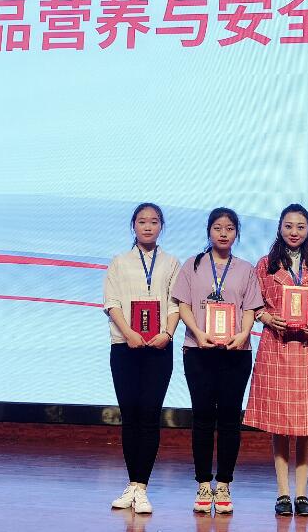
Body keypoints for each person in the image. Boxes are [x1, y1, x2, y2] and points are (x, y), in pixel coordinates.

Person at [244, 204, 308, 517]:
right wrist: (266, 317)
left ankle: (302, 493)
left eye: (300, 226)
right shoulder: (265, 265)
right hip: (277, 348)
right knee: (280, 424)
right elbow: (252, 302)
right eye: (288, 226)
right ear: (280, 228)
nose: (294, 232)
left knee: (307, 425)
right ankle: (283, 493)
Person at [172, 207, 262, 515]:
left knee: (229, 419)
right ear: (209, 231)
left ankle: (223, 484)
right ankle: (202, 483)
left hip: (236, 352)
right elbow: (183, 305)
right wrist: (197, 333)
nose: (223, 233)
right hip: (198, 350)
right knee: (201, 418)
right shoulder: (193, 264)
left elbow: (250, 308)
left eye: (229, 228)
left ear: (237, 233)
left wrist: (244, 334)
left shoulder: (246, 268)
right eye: (217, 228)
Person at [103, 202, 181, 514]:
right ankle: (132, 484)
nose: (148, 226)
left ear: (161, 226)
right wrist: (129, 334)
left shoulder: (171, 263)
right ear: (133, 226)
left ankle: (142, 487)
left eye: (154, 221)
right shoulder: (118, 262)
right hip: (125, 347)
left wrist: (168, 334)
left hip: (159, 347)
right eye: (142, 221)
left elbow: (175, 304)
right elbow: (111, 303)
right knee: (130, 415)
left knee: (150, 414)